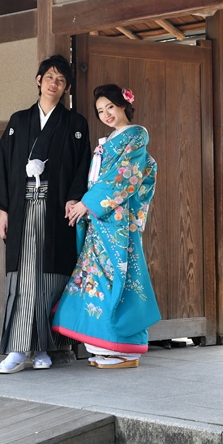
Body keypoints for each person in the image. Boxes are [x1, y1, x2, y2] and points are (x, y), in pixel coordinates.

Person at [0, 54, 91, 374]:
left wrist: (74, 200)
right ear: (39, 80)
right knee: (23, 276)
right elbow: (5, 168)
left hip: (57, 212)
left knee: (51, 279)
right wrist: (3, 211)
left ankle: (44, 348)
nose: (54, 84)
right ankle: (16, 350)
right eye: (50, 77)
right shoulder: (18, 121)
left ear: (66, 88)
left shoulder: (75, 124)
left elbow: (82, 168)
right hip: (22, 209)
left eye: (61, 80)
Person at [52, 84, 160, 369]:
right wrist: (85, 204)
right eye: (100, 111)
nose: (106, 114)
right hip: (101, 222)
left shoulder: (136, 135)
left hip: (117, 223)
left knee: (118, 281)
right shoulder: (110, 139)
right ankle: (104, 347)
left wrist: (87, 204)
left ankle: (125, 349)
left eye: (110, 107)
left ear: (123, 104)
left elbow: (124, 178)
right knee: (95, 281)